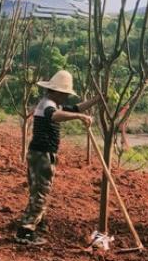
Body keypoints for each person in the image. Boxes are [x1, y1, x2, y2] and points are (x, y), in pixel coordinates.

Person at [15, 70, 98, 246]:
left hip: (40, 153)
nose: (66, 98)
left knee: (38, 192)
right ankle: (25, 231)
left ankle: (36, 228)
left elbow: (75, 108)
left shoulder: (52, 103)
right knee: (40, 193)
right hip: (42, 155)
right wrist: (79, 117)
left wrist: (97, 100)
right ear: (57, 92)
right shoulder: (47, 105)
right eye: (65, 94)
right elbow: (55, 116)